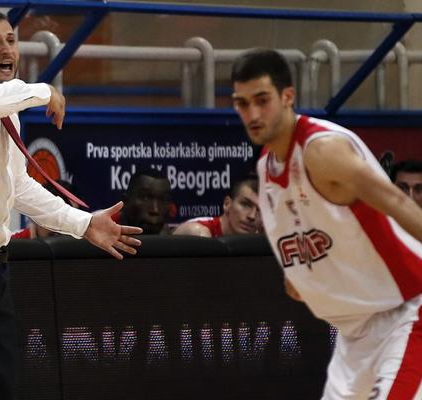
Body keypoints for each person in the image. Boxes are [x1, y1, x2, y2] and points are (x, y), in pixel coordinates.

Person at [0, 10, 142, 400]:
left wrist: (84, 224)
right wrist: (44, 90)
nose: (6, 50)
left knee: (3, 385)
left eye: (11, 40)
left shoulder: (8, 109)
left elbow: (19, 187)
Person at [231, 48, 422, 399]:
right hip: (354, 335)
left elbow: (396, 202)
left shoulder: (323, 151)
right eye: (242, 104)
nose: (253, 114)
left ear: (288, 97)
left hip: (407, 314)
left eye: (262, 100)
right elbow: (302, 259)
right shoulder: (267, 170)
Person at [172, 174, 261, 237]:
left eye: (260, 210)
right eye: (245, 205)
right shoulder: (199, 232)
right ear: (227, 204)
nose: (252, 216)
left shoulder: (262, 241)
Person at [12, 179, 79, 239]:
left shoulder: (83, 243)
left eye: (71, 218)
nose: (64, 225)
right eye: (56, 217)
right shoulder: (12, 244)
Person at [115, 168, 172, 234]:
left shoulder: (175, 237)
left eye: (164, 199)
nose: (155, 210)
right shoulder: (105, 230)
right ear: (124, 202)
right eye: (145, 197)